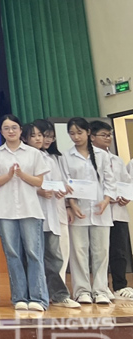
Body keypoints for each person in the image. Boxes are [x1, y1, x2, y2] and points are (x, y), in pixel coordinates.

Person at [0, 115, 50, 311]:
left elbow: (39, 181)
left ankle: (38, 298)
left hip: (30, 209)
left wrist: (21, 175)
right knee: (12, 254)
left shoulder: (33, 153)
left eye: (14, 127)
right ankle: (19, 297)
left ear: (21, 130)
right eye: (6, 128)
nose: (11, 131)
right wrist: (8, 175)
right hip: (6, 211)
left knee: (34, 254)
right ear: (1, 131)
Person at [62, 117, 116, 305]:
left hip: (100, 209)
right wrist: (72, 204)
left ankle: (100, 290)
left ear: (88, 133)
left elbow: (110, 181)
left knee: (101, 252)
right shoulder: (66, 156)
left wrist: (106, 200)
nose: (76, 137)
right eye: (72, 133)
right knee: (79, 252)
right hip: (79, 210)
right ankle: (82, 291)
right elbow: (66, 182)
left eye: (79, 132)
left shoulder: (102, 155)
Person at [30, 120, 80, 308]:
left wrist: (64, 193)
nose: (44, 139)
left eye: (49, 136)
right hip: (33, 212)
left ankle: (58, 294)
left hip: (54, 211)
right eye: (40, 135)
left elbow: (59, 182)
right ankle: (38, 294)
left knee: (55, 256)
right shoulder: (27, 156)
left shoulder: (52, 158)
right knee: (36, 257)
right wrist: (39, 191)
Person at [90, 120, 133, 299]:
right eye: (104, 135)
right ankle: (101, 287)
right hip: (100, 210)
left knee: (119, 250)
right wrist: (108, 197)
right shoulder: (89, 158)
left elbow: (126, 182)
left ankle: (120, 286)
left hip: (119, 211)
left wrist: (127, 196)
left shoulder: (117, 160)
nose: (108, 138)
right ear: (92, 137)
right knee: (100, 251)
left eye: (109, 135)